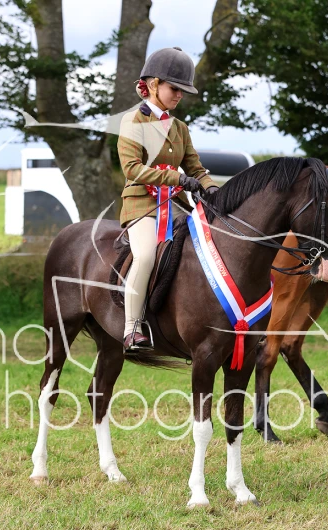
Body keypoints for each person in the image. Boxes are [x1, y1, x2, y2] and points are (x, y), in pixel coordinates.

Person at [117, 46, 219, 350]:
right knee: (146, 255)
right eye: (174, 88)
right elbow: (132, 168)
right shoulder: (132, 122)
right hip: (141, 205)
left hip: (175, 205)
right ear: (153, 85)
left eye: (182, 90)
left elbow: (196, 168)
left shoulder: (180, 128)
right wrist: (176, 178)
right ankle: (132, 327)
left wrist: (211, 187)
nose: (179, 95)